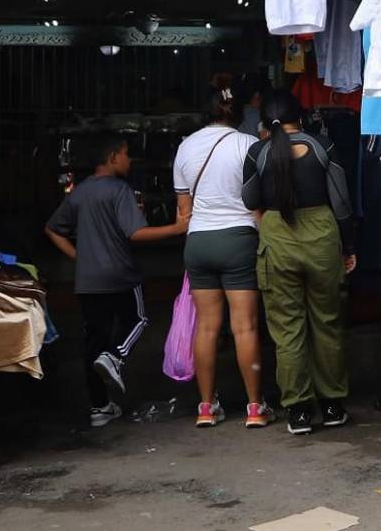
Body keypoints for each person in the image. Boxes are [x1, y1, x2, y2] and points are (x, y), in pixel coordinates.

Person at [44, 135, 187, 428]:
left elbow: (52, 229)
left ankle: (99, 407)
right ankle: (116, 356)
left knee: (93, 341)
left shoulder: (80, 193)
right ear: (112, 157)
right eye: (125, 154)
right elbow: (135, 234)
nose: (129, 159)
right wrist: (176, 228)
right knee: (139, 319)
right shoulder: (119, 190)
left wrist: (78, 257)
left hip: (88, 281)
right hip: (120, 275)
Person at [242, 89, 356, 436]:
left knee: (287, 330)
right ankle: (333, 405)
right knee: (327, 323)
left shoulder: (258, 151)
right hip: (321, 235)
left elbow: (249, 198)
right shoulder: (322, 145)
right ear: (301, 116)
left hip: (278, 236)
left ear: (265, 123)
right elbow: (341, 202)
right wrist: (347, 246)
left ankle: (299, 412)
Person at [173, 76, 272, 429]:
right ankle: (255, 408)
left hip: (198, 243)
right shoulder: (248, 144)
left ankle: (205, 407)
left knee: (207, 328)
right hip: (239, 240)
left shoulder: (185, 148)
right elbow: (260, 202)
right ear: (235, 111)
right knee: (244, 327)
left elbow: (182, 213)